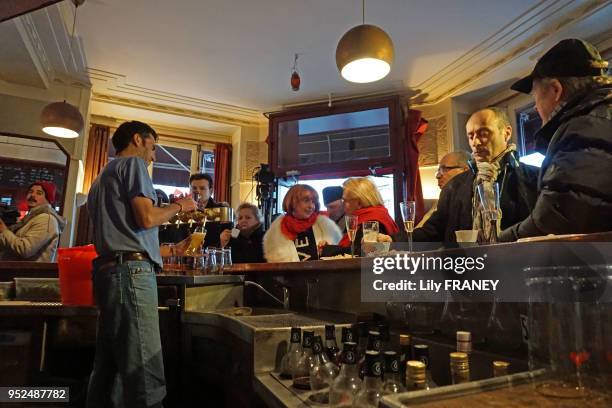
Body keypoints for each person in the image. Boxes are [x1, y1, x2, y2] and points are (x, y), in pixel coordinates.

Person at [86, 120, 196, 408]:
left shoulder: (100, 180)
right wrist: (179, 206)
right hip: (131, 274)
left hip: (109, 272)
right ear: (138, 139)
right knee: (144, 370)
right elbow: (146, 218)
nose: (154, 156)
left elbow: (125, 235)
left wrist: (170, 249)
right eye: (153, 147)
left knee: (109, 368)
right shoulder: (132, 165)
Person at [499, 38, 612, 241]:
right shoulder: (598, 118)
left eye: (535, 96)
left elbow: (557, 219)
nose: (535, 107)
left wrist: (496, 242)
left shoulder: (585, 128)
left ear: (556, 90)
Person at [409, 108, 538, 243]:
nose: (475, 143)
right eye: (471, 136)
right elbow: (433, 231)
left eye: (483, 133)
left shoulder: (534, 178)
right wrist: (392, 240)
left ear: (506, 133)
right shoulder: (454, 186)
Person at [263, 184, 341, 262]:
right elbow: (276, 264)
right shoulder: (277, 231)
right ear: (293, 203)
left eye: (313, 202)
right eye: (306, 201)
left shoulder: (325, 226)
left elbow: (339, 256)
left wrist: (329, 248)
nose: (311, 206)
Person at [0, 181, 66, 262]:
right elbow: (10, 243)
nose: (32, 195)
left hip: (26, 273)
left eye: (39, 193)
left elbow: (26, 249)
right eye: (30, 192)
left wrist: (4, 230)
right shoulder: (30, 219)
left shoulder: (46, 219)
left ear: (48, 200)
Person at [335, 177, 399, 254]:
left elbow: (362, 253)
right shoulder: (376, 214)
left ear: (359, 203)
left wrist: (329, 250)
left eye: (345, 200)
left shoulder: (371, 222)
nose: (342, 204)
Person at [417, 151, 470, 227]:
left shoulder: (474, 202)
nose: (438, 176)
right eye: (438, 171)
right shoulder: (440, 202)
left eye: (444, 169)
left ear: (465, 170)